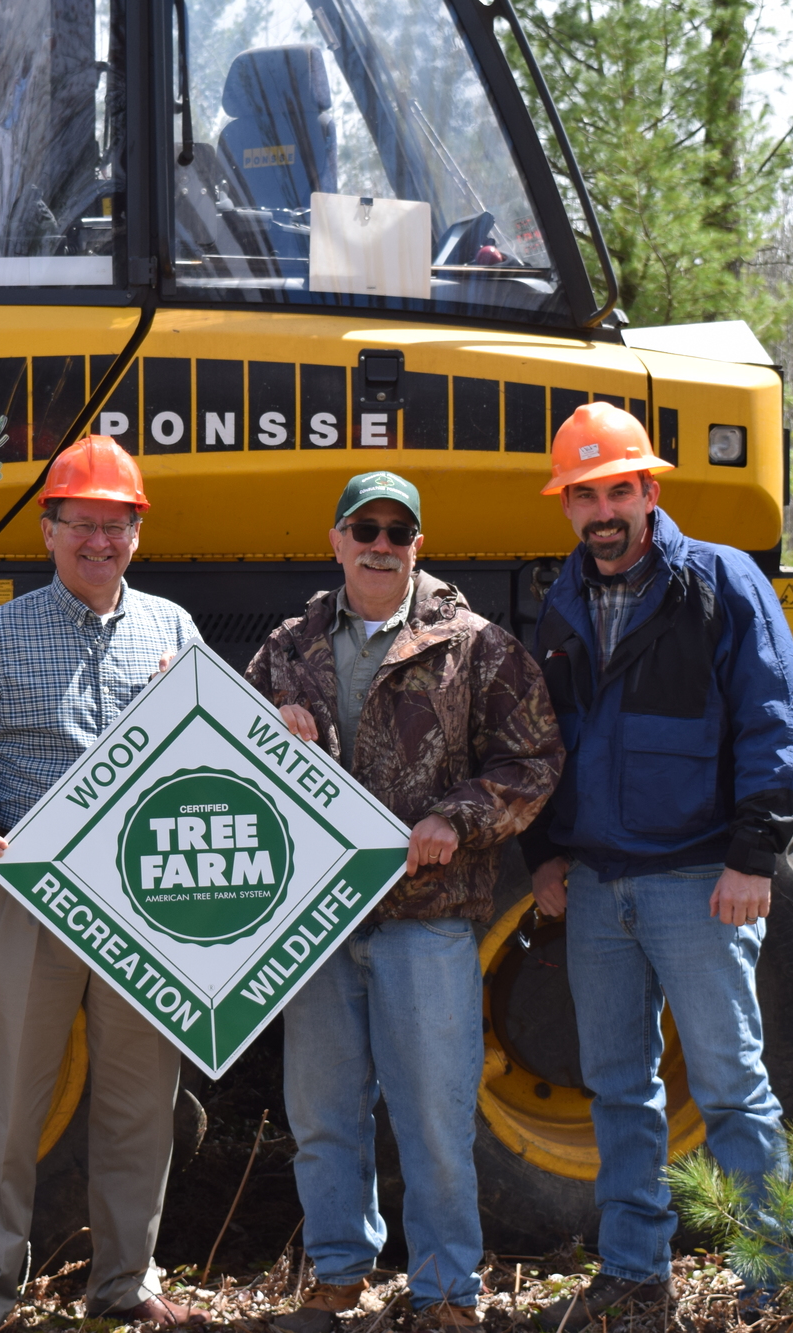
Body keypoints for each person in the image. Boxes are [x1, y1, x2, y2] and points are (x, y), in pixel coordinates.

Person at [517, 403, 793, 1329]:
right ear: (566, 505)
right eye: (584, 494)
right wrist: (545, 854)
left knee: (729, 1085)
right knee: (618, 1088)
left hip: (699, 880)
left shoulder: (720, 583)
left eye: (618, 490)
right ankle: (635, 1270)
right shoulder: (560, 599)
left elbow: (780, 720)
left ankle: (774, 1278)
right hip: (599, 884)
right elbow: (543, 741)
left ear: (650, 490)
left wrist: (754, 856)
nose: (602, 510)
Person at [245, 471, 562, 1333]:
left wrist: (454, 820)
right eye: (365, 527)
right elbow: (231, 743)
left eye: (398, 530)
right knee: (323, 1113)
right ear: (337, 539)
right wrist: (270, 714)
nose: (381, 544)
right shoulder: (288, 645)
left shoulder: (476, 644)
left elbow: (532, 759)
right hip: (314, 920)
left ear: (418, 542)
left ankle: (447, 1289)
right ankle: (338, 1274)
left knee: (433, 1117)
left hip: (426, 917)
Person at [0, 436, 207, 1333]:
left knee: (139, 1104)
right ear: (47, 530)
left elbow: (210, 758)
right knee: (7, 1102)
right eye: (80, 523)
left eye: (116, 524)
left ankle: (125, 1284)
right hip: (29, 897)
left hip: (142, 900)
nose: (98, 540)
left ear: (138, 532)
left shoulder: (174, 630)